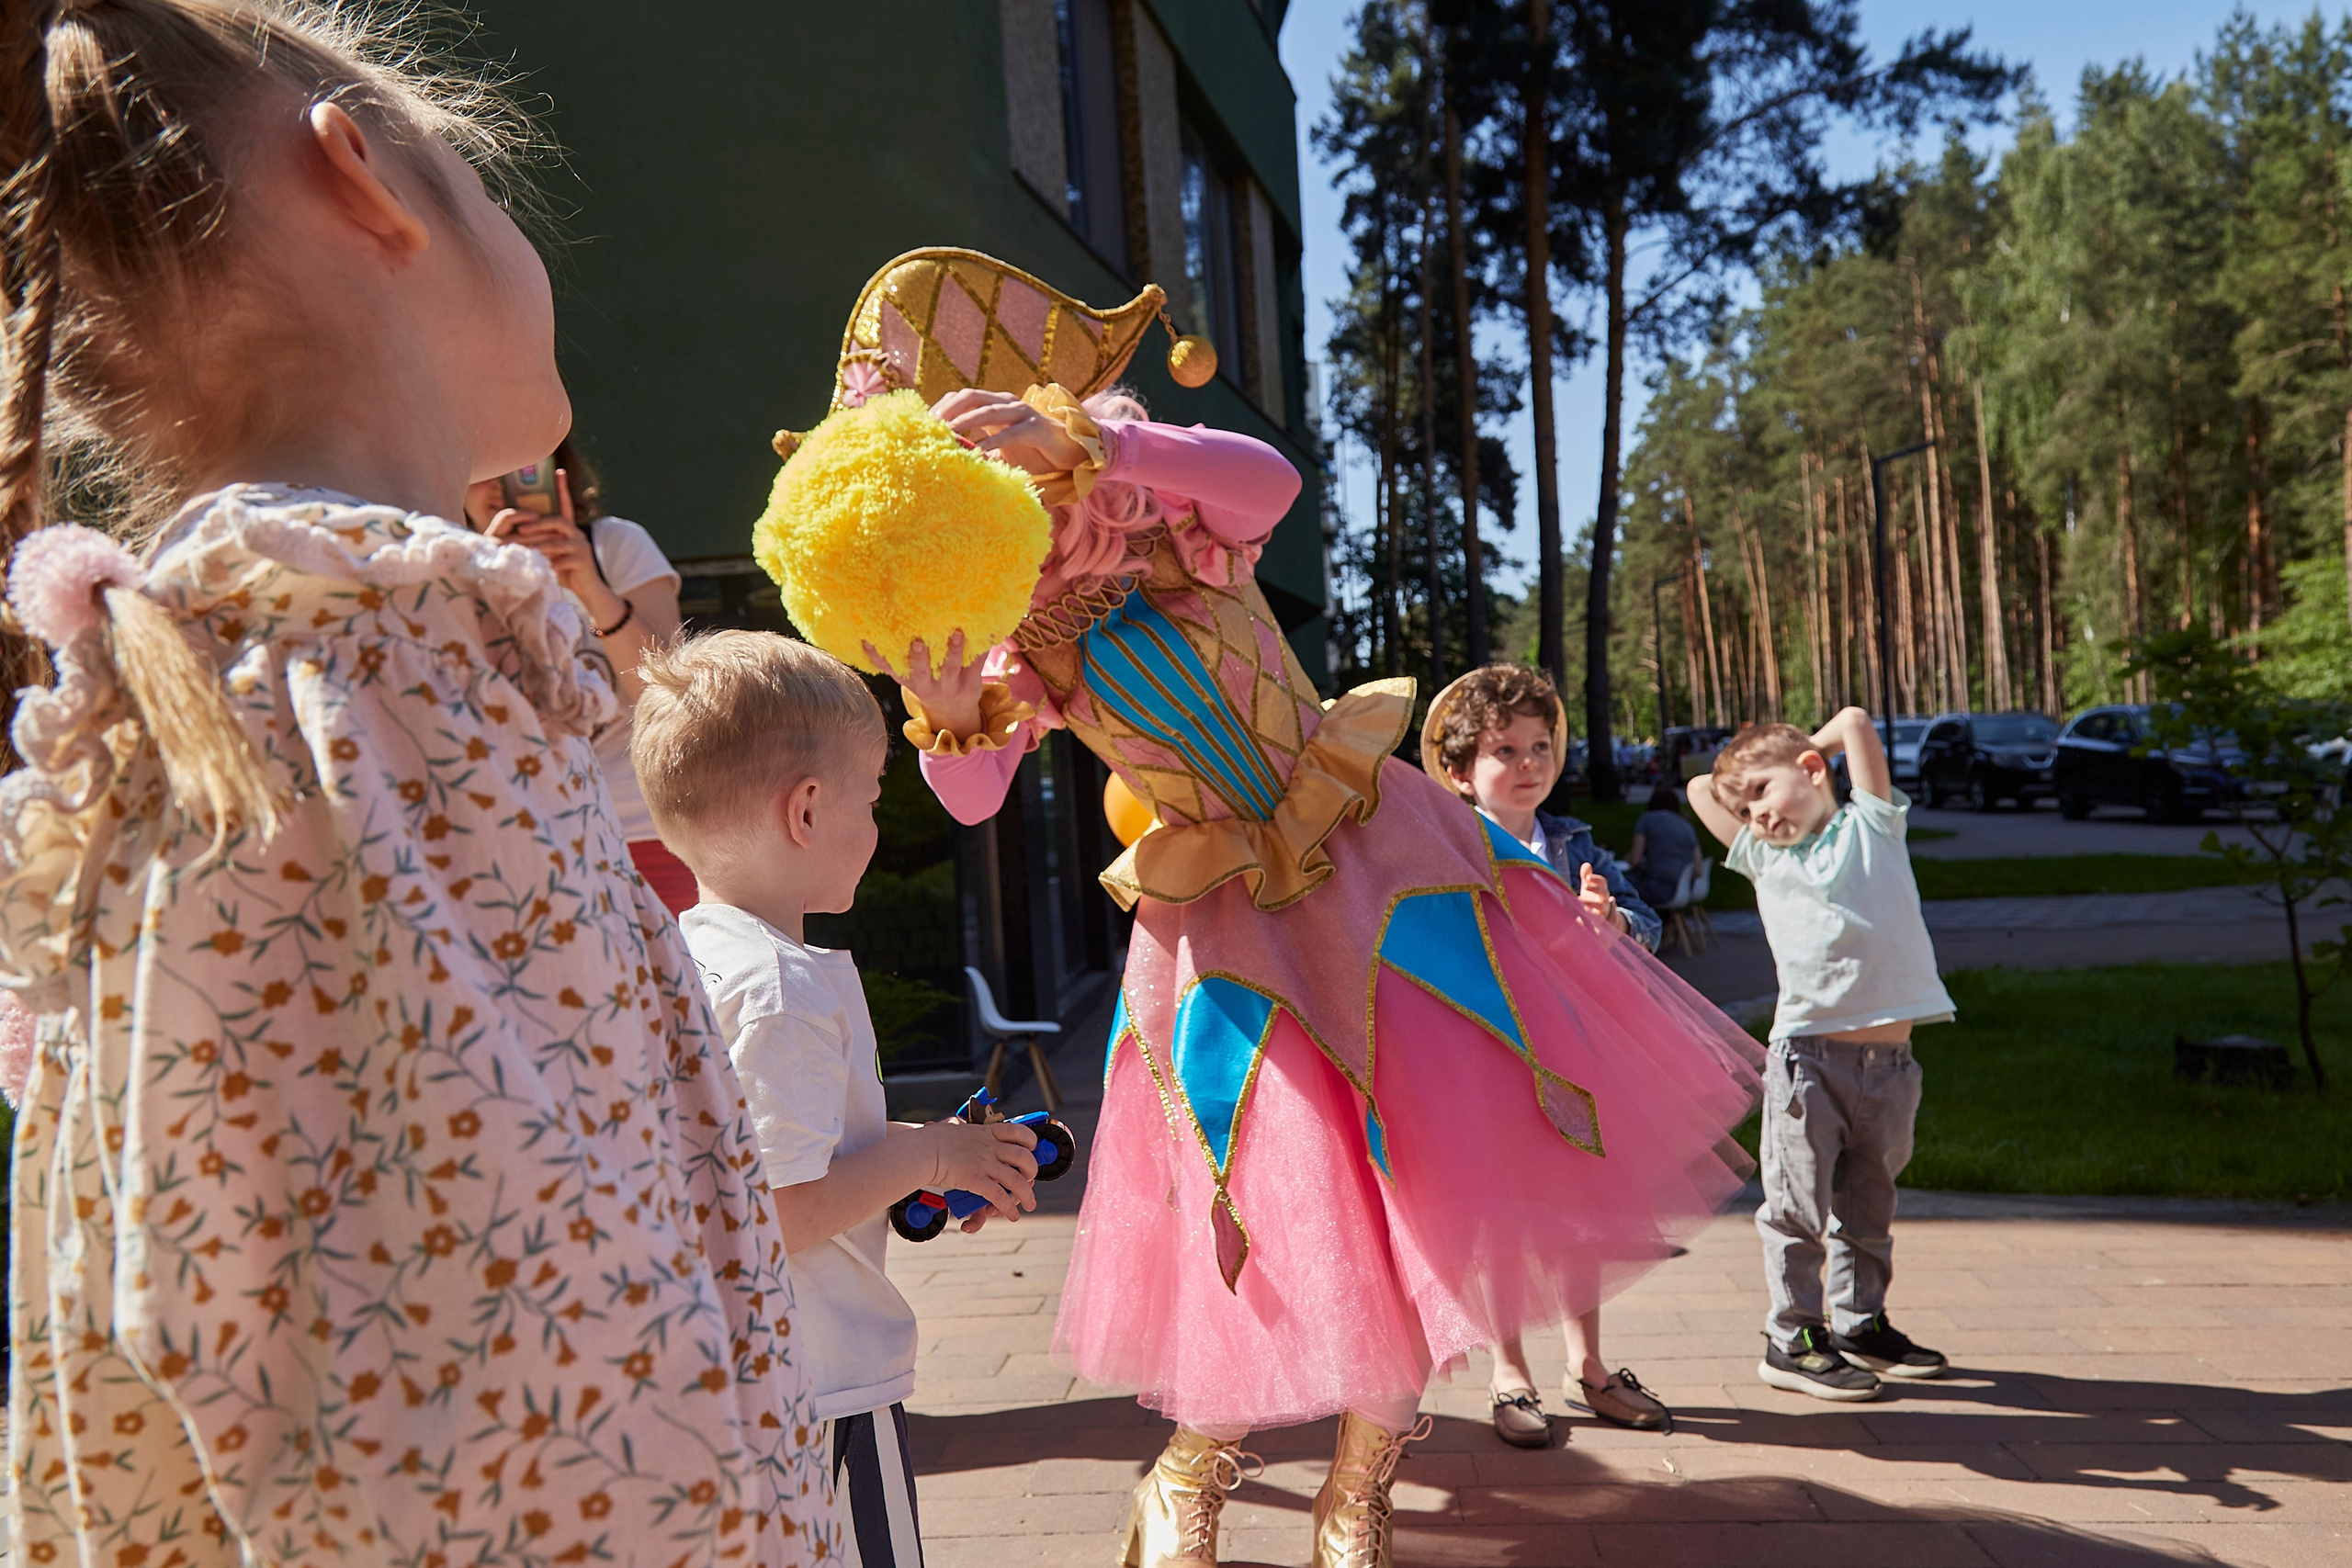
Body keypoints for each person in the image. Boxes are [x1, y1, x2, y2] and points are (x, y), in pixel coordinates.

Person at [0, 5, 832, 1563]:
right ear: (364, 184)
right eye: (492, 192)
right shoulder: (354, 673)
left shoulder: (324, 656)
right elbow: (506, 1373)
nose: (527, 240)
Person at [836, 251, 1761, 1568]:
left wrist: (1093, 439)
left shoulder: (1162, 508)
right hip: (1221, 921)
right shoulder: (1013, 634)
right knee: (1268, 1199)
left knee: (1421, 1190)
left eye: (982, 434)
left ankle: (1359, 1487)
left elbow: (1268, 479)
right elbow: (976, 797)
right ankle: (1189, 1473)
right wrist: (938, 706)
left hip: (1376, 861)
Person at [630, 628, 1040, 1568]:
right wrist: (930, 1154)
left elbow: (766, 1154)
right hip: (821, 1386)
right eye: (871, 798)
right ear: (808, 810)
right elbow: (777, 1207)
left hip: (726, 1382)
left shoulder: (689, 959)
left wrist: (938, 1158)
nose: (878, 825)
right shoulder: (780, 988)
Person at [1419, 666, 1677, 1442]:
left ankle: (1587, 1363)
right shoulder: (1444, 847)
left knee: (1577, 1214)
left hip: (1573, 1051)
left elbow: (1647, 920)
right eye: (1505, 750)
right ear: (1461, 771)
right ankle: (1510, 1370)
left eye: (1540, 746)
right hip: (1484, 1054)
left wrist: (1612, 922)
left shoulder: (1572, 843)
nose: (1529, 763)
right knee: (1501, 1215)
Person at [1687, 711, 1956, 1403]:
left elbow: (1857, 723)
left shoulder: (1873, 827)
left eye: (1763, 793)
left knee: (1870, 1204)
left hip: (1890, 1068)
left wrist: (1801, 751)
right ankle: (1792, 1336)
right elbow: (1698, 790)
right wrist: (1758, 780)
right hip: (1808, 1062)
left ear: (1813, 771)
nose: (1756, 815)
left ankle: (1860, 1323)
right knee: (1797, 1206)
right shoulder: (1766, 857)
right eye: (1745, 810)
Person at [463, 438, 694, 909]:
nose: (499, 482)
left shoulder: (615, 545)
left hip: (648, 831)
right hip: (520, 842)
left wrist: (589, 587)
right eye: (482, 463)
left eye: (516, 461)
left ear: (555, 464)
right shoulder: (442, 569)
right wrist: (482, 585)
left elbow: (670, 702)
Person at [1627, 784, 1702, 910]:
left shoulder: (1646, 820)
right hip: (1685, 889)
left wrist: (1628, 858)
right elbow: (1698, 870)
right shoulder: (1688, 826)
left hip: (1657, 887)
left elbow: (1635, 860)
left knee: (1617, 883)